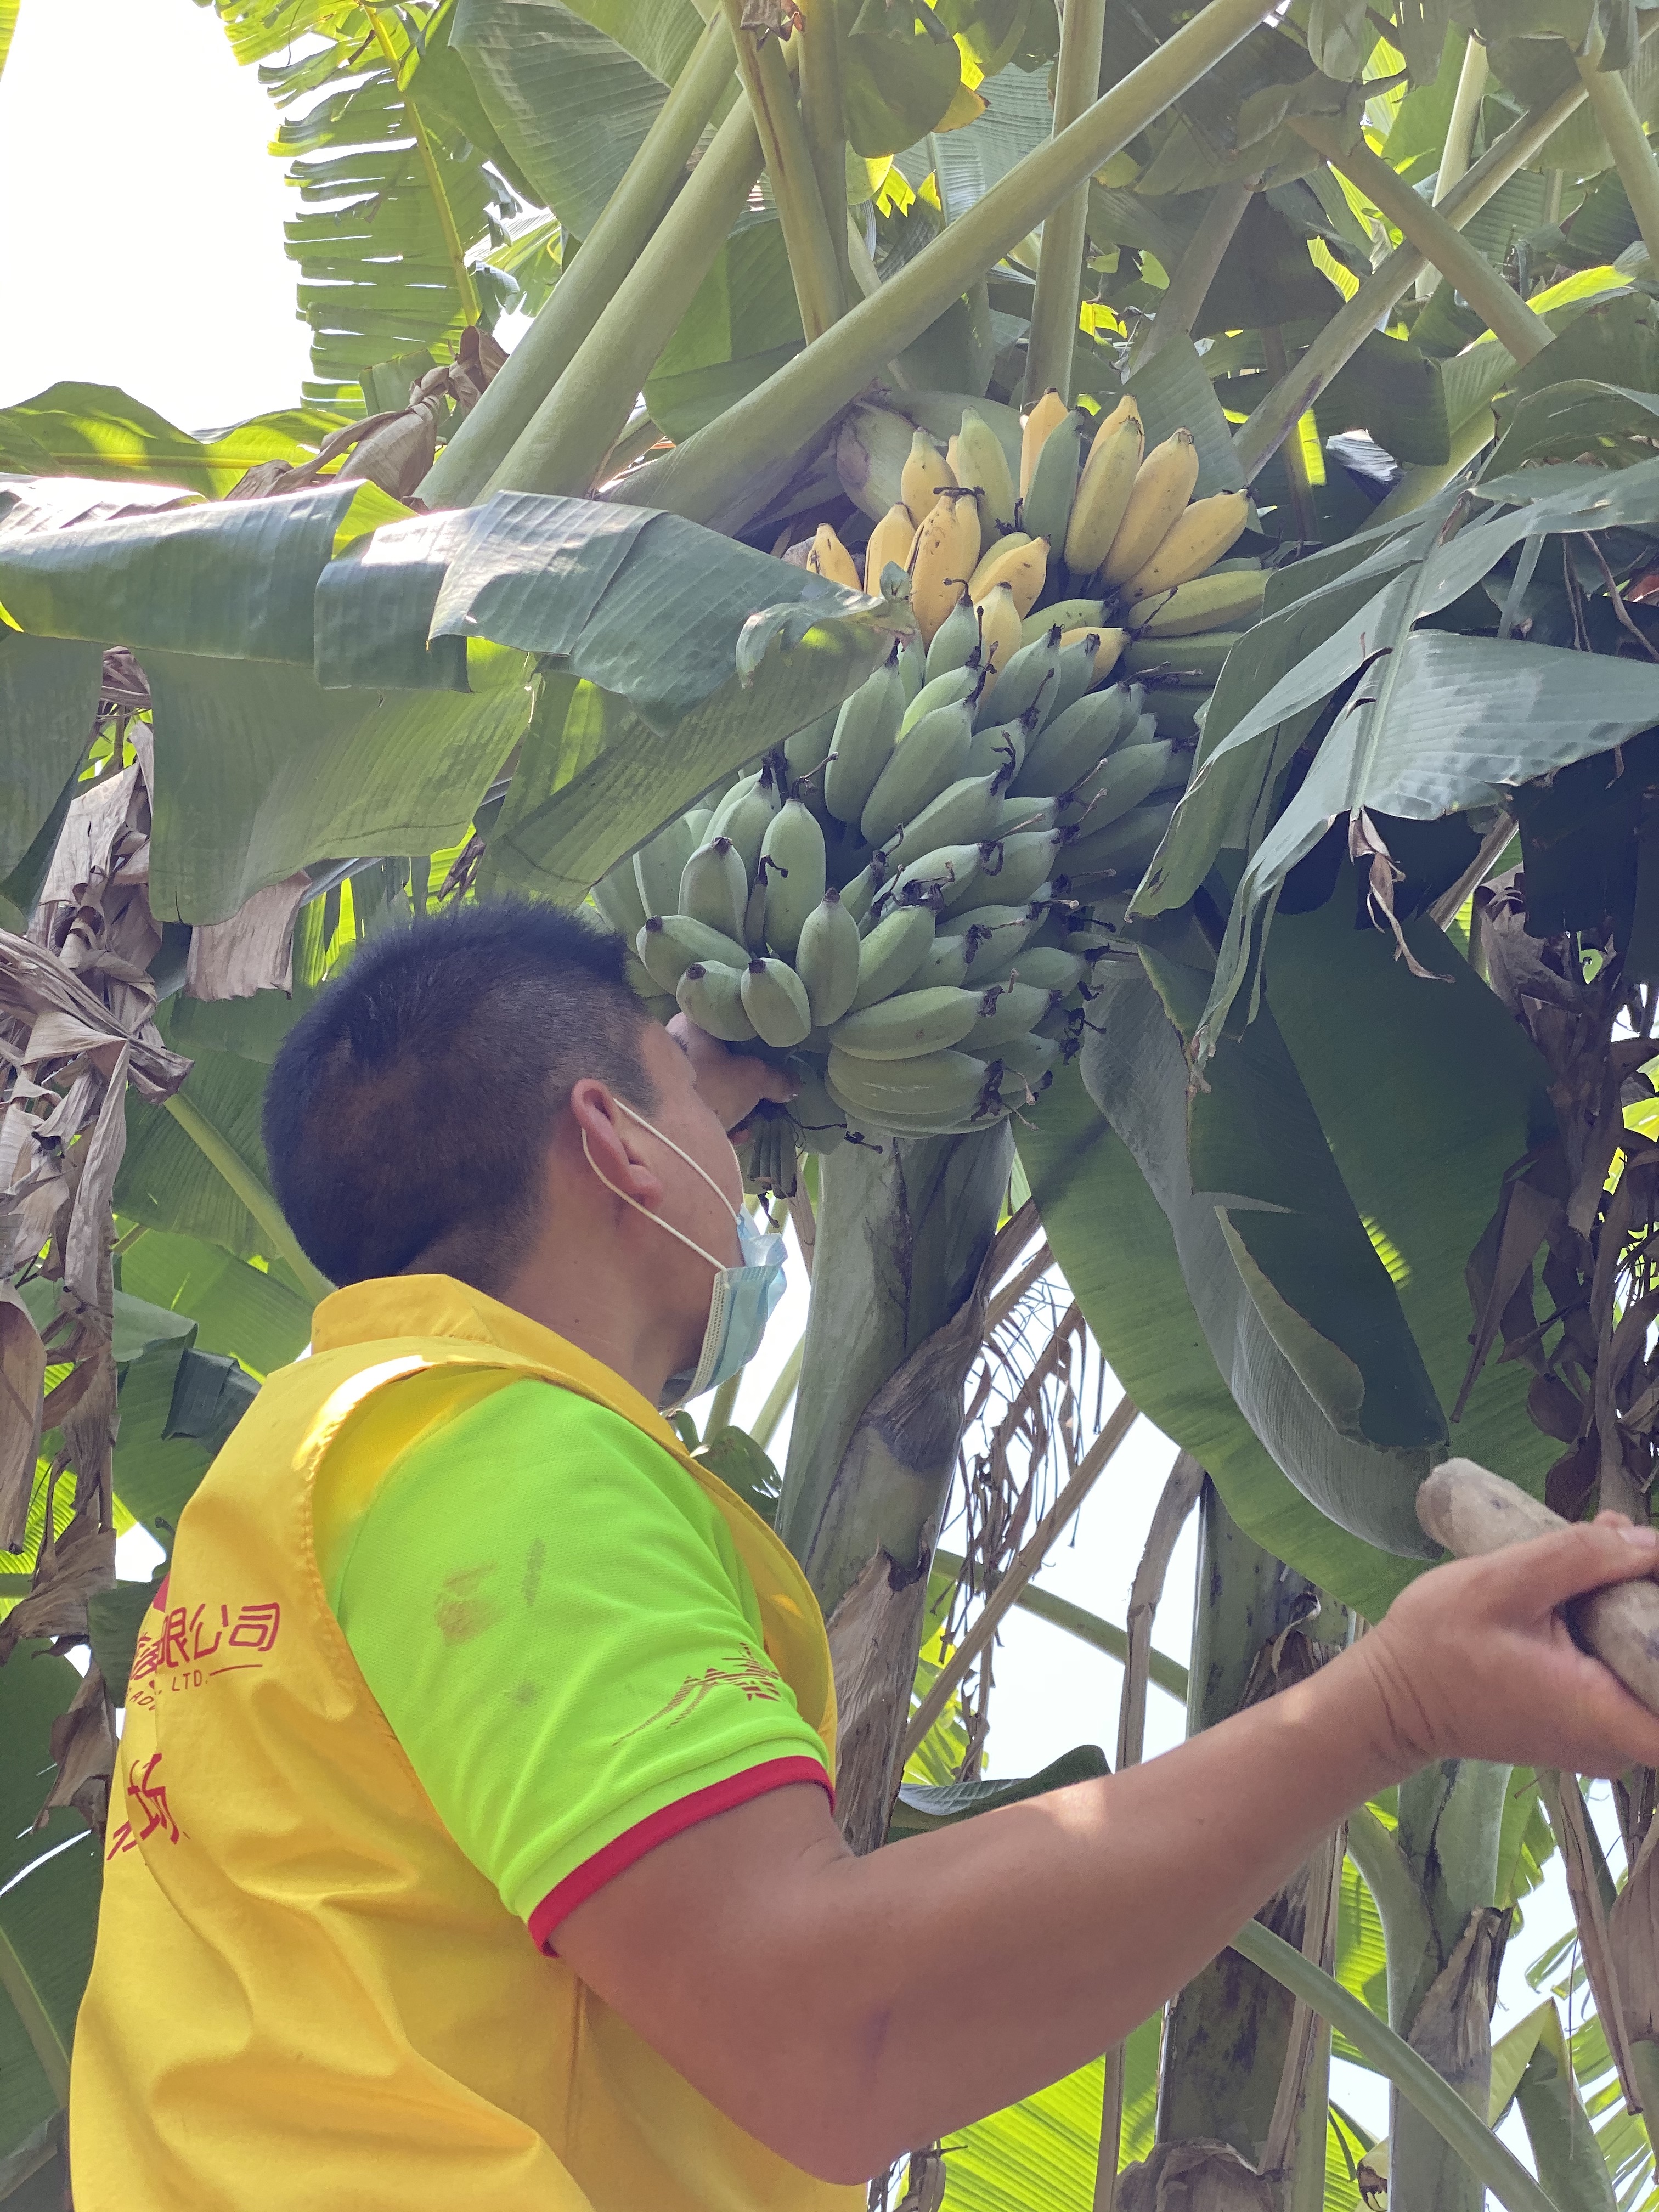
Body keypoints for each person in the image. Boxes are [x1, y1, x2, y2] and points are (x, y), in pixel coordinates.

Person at [70, 898, 1659, 2211]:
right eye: (699, 1119)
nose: (751, 1169)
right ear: (614, 1148)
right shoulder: (501, 1454)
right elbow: (830, 2028)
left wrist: (668, 1079)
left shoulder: (325, 1458)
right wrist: (1384, 1712)